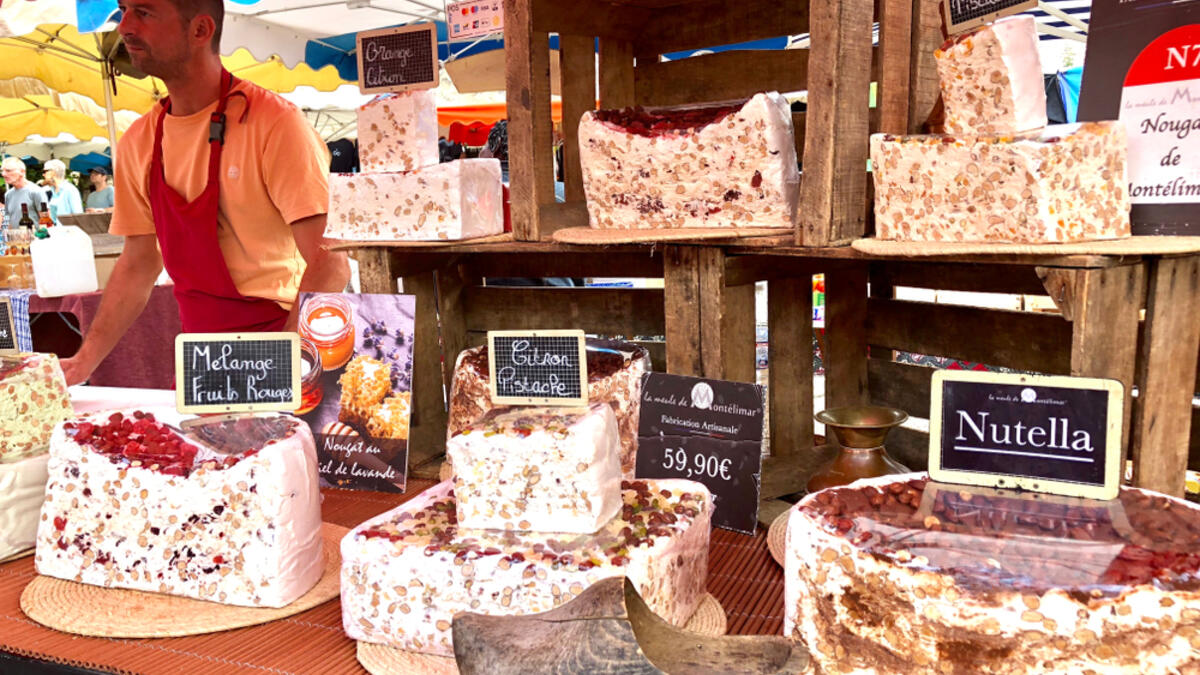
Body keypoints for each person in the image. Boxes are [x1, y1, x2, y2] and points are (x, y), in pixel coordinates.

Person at [60, 0, 349, 385]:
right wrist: (84, 361)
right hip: (202, 355)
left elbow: (330, 263)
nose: (124, 25)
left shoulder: (275, 124)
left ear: (200, 31)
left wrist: (282, 363)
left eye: (143, 12)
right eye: (124, 9)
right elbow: (139, 263)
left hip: (280, 337)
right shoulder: (139, 141)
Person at [1, 157, 47, 228]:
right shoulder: (8, 194)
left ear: (22, 172)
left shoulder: (36, 191)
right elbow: (10, 221)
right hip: (16, 238)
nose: (3, 174)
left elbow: (46, 221)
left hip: (35, 237)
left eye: (8, 170)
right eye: (2, 171)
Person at [43, 159, 84, 225]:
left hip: (67, 233)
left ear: (53, 172)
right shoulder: (47, 191)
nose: (43, 174)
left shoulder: (71, 190)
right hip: (52, 232)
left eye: (45, 171)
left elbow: (79, 217)